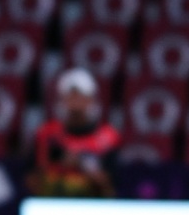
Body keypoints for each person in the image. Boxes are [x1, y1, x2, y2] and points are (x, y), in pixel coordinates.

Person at [27, 68, 121, 198]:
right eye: (71, 95)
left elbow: (113, 186)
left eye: (81, 96)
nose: (75, 101)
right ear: (61, 99)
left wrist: (83, 166)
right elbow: (32, 180)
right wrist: (61, 167)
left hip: (93, 204)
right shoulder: (46, 134)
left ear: (91, 99)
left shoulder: (109, 137)